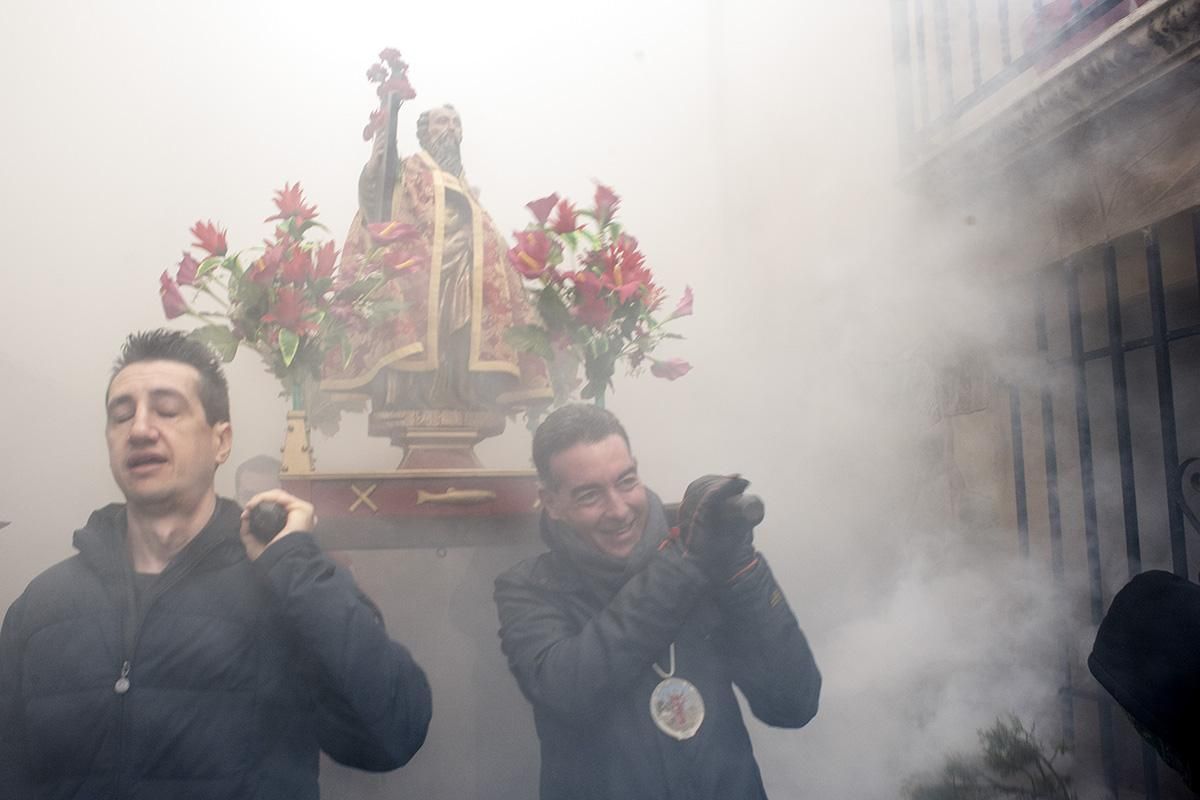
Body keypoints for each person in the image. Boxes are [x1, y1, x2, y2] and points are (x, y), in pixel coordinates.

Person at [0, 329, 432, 799]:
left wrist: (296, 565)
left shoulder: (286, 586)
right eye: (121, 415)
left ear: (221, 441)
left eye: (167, 410)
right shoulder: (43, 605)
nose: (140, 429)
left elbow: (392, 733)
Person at [494, 404, 821, 799]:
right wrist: (685, 565)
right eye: (589, 495)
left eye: (626, 481)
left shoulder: (700, 551)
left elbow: (793, 704)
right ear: (551, 502)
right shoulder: (529, 588)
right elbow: (570, 690)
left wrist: (741, 568)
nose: (618, 510)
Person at [322, 104, 550, 416]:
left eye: (456, 123)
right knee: (423, 333)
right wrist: (373, 169)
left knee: (461, 333)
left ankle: (461, 392)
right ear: (425, 133)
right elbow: (376, 203)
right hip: (418, 277)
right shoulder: (407, 170)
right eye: (442, 122)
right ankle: (417, 395)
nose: (451, 128)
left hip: (463, 273)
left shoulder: (462, 182)